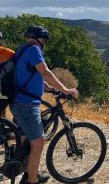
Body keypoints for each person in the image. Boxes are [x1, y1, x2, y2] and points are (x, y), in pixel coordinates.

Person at [10, 26, 79, 184]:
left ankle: (29, 174)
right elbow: (45, 72)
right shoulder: (34, 49)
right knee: (38, 142)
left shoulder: (22, 49)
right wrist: (66, 89)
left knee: (28, 140)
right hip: (26, 105)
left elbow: (30, 77)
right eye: (45, 40)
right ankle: (31, 182)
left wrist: (51, 89)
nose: (45, 43)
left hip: (20, 102)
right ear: (40, 39)